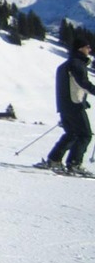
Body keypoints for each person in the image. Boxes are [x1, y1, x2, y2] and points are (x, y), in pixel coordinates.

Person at [43, 37, 95, 175]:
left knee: (71, 133)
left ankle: (54, 159)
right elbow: (83, 83)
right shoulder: (77, 64)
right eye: (87, 47)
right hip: (74, 105)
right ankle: (74, 164)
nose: (89, 49)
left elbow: (70, 86)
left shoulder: (64, 65)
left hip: (64, 105)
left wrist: (83, 100)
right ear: (80, 48)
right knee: (85, 135)